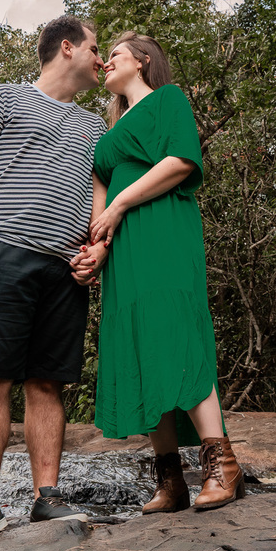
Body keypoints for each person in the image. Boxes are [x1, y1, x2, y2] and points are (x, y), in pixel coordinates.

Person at [71, 31, 246, 513]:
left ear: (143, 62)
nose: (106, 63)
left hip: (165, 233)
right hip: (124, 253)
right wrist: (97, 249)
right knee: (143, 349)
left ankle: (222, 465)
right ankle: (170, 480)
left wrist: (121, 206)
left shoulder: (168, 99)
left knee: (175, 335)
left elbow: (181, 161)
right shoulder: (107, 134)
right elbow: (99, 203)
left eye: (115, 55)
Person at [0, 15, 110, 551]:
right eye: (95, 47)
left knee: (48, 382)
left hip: (66, 267)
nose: (101, 57)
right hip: (6, 257)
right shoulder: (4, 97)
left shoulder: (95, 128)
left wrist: (99, 248)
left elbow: (98, 196)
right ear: (67, 48)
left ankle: (47, 496)